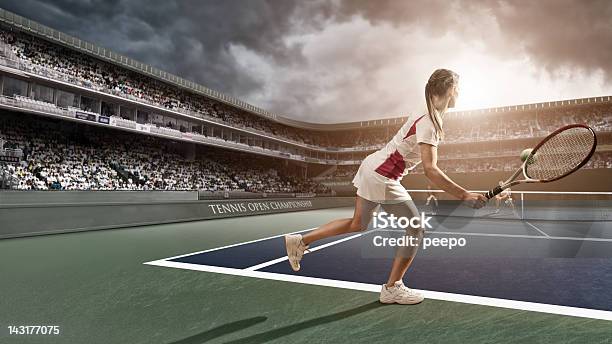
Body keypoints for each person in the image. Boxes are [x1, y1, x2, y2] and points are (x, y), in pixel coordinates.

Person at [285, 69, 487, 305]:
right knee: (416, 228)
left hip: (374, 167)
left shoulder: (428, 113)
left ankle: (301, 241)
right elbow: (430, 170)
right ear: (450, 90)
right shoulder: (430, 121)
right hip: (383, 175)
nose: (460, 93)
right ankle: (392, 288)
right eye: (458, 88)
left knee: (357, 223)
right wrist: (465, 195)